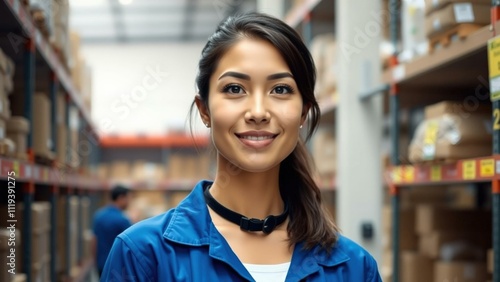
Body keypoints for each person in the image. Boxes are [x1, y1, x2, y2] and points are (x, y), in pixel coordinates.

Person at [101, 13, 381, 281]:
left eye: (280, 89)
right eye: (235, 89)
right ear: (205, 110)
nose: (258, 112)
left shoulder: (354, 268)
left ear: (303, 113)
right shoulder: (142, 257)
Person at [93, 185, 132, 278]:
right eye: (128, 198)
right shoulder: (123, 220)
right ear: (121, 198)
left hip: (101, 264)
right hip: (117, 266)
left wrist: (95, 262)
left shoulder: (98, 215)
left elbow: (94, 241)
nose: (129, 202)